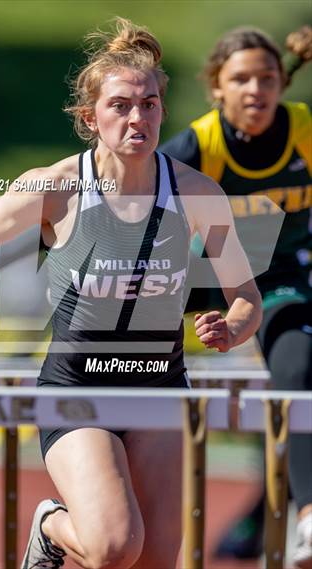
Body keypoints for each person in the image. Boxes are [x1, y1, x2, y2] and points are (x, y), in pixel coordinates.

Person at [0, 18, 262, 569]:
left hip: (158, 385)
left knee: (152, 560)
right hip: (77, 386)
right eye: (122, 105)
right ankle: (52, 526)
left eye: (149, 104)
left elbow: (246, 295)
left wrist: (233, 324)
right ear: (90, 117)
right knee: (112, 546)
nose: (138, 118)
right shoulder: (56, 185)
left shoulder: (198, 194)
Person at [161, 25, 312, 568]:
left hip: (281, 278)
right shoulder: (201, 143)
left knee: (296, 361)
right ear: (217, 88)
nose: (256, 89)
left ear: (281, 84)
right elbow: (128, 198)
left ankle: (308, 518)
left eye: (267, 78)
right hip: (206, 274)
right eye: (241, 79)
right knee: (129, 320)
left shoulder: (304, 130)